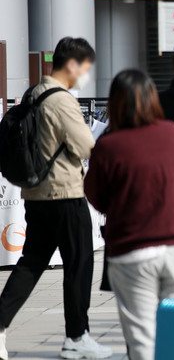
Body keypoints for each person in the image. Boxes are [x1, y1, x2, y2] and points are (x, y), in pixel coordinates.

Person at [0, 37, 112, 359]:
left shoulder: (33, 94)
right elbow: (85, 146)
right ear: (73, 65)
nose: (86, 75)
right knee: (79, 264)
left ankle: (0, 324)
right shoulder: (62, 101)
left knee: (31, 263)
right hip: (64, 194)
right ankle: (77, 337)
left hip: (35, 196)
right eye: (86, 68)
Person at [84, 69, 174, 360]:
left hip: (131, 252)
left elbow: (96, 197)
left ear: (115, 104)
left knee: (142, 338)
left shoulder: (107, 146)